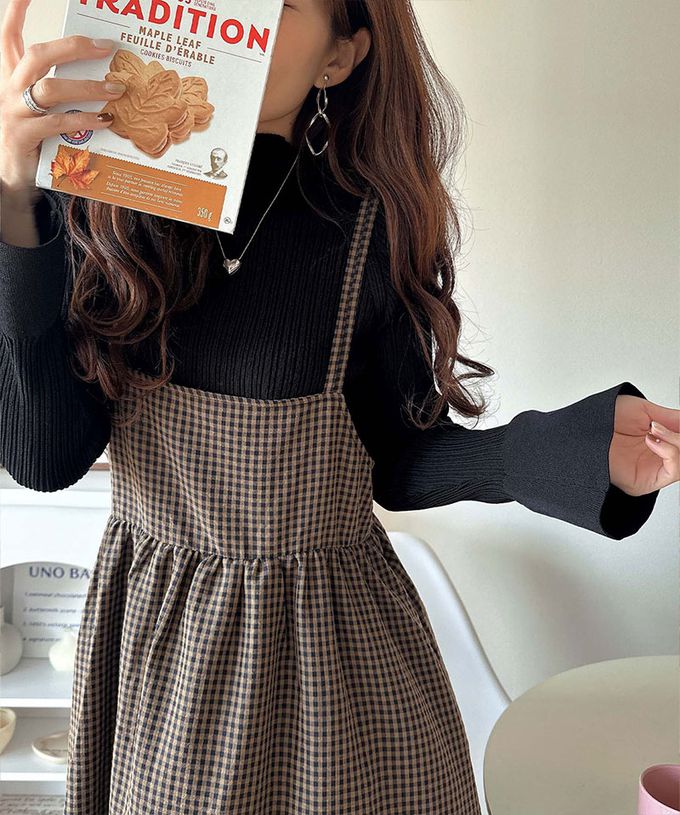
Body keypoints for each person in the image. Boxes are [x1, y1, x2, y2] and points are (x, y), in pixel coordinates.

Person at [0, 1, 677, 813]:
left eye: (279, 4)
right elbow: (44, 457)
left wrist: (561, 452)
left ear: (339, 59)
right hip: (164, 657)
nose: (233, 17)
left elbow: (401, 456)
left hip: (335, 657)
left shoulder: (367, 229)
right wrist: (15, 198)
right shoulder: (107, 204)